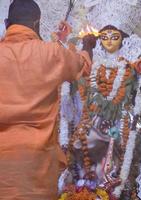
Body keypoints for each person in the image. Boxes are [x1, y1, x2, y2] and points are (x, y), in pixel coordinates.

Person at [0, 0, 91, 199]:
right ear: (36, 24)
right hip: (37, 164)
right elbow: (82, 66)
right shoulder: (51, 52)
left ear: (7, 24)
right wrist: (87, 45)